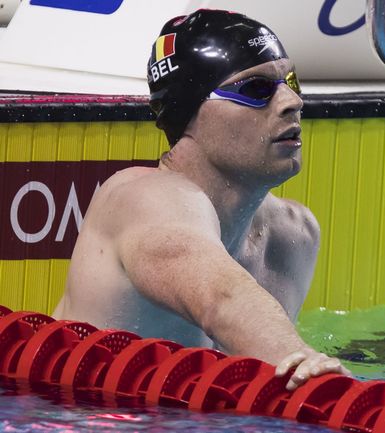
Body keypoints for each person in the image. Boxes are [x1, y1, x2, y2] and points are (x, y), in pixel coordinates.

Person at [52, 9, 349, 391]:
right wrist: (305, 363)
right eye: (256, 89)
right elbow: (220, 298)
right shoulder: (142, 198)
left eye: (290, 81)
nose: (292, 101)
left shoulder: (293, 235)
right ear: (190, 114)